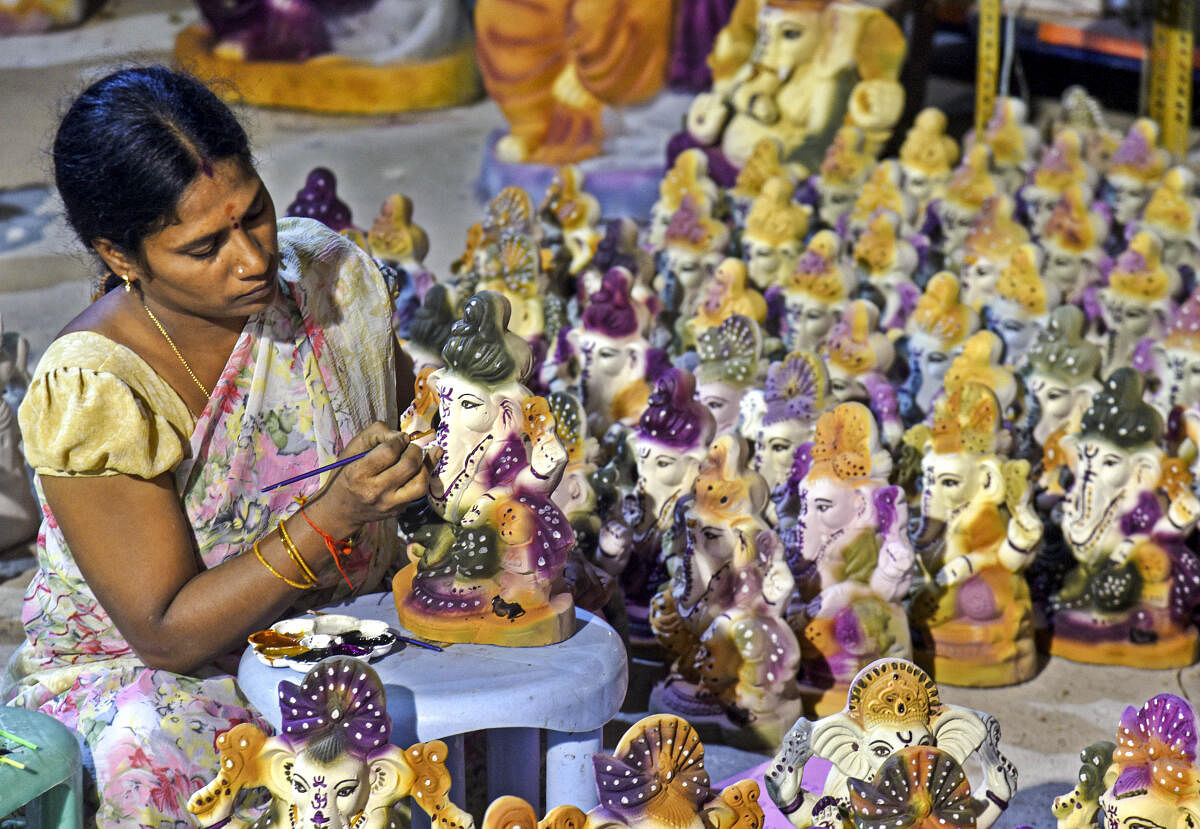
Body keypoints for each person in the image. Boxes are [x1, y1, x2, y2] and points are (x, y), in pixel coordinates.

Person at [3, 65, 429, 826]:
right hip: (162, 676)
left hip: (343, 631)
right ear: (121, 255)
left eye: (256, 213)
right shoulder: (97, 386)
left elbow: (411, 423)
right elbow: (166, 630)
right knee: (155, 762)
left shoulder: (333, 282)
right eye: (204, 247)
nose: (254, 258)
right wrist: (331, 516)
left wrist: (432, 452)